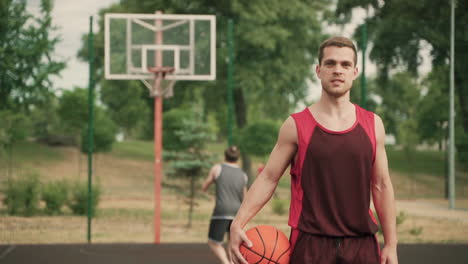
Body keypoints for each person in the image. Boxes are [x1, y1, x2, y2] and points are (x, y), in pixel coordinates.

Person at [229, 36, 398, 264]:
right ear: (318, 70)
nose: (337, 70)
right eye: (330, 64)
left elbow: (381, 185)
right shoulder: (296, 125)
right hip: (310, 245)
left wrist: (391, 244)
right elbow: (268, 178)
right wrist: (237, 222)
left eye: (345, 64)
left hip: (362, 245)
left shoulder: (373, 124)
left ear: (355, 72)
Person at [202, 145, 248, 264]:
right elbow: (245, 197)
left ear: (225, 155)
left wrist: (207, 187)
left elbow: (205, 186)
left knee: (213, 242)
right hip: (237, 213)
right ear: (238, 158)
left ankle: (226, 263)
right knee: (232, 242)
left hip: (222, 211)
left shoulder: (217, 168)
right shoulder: (243, 175)